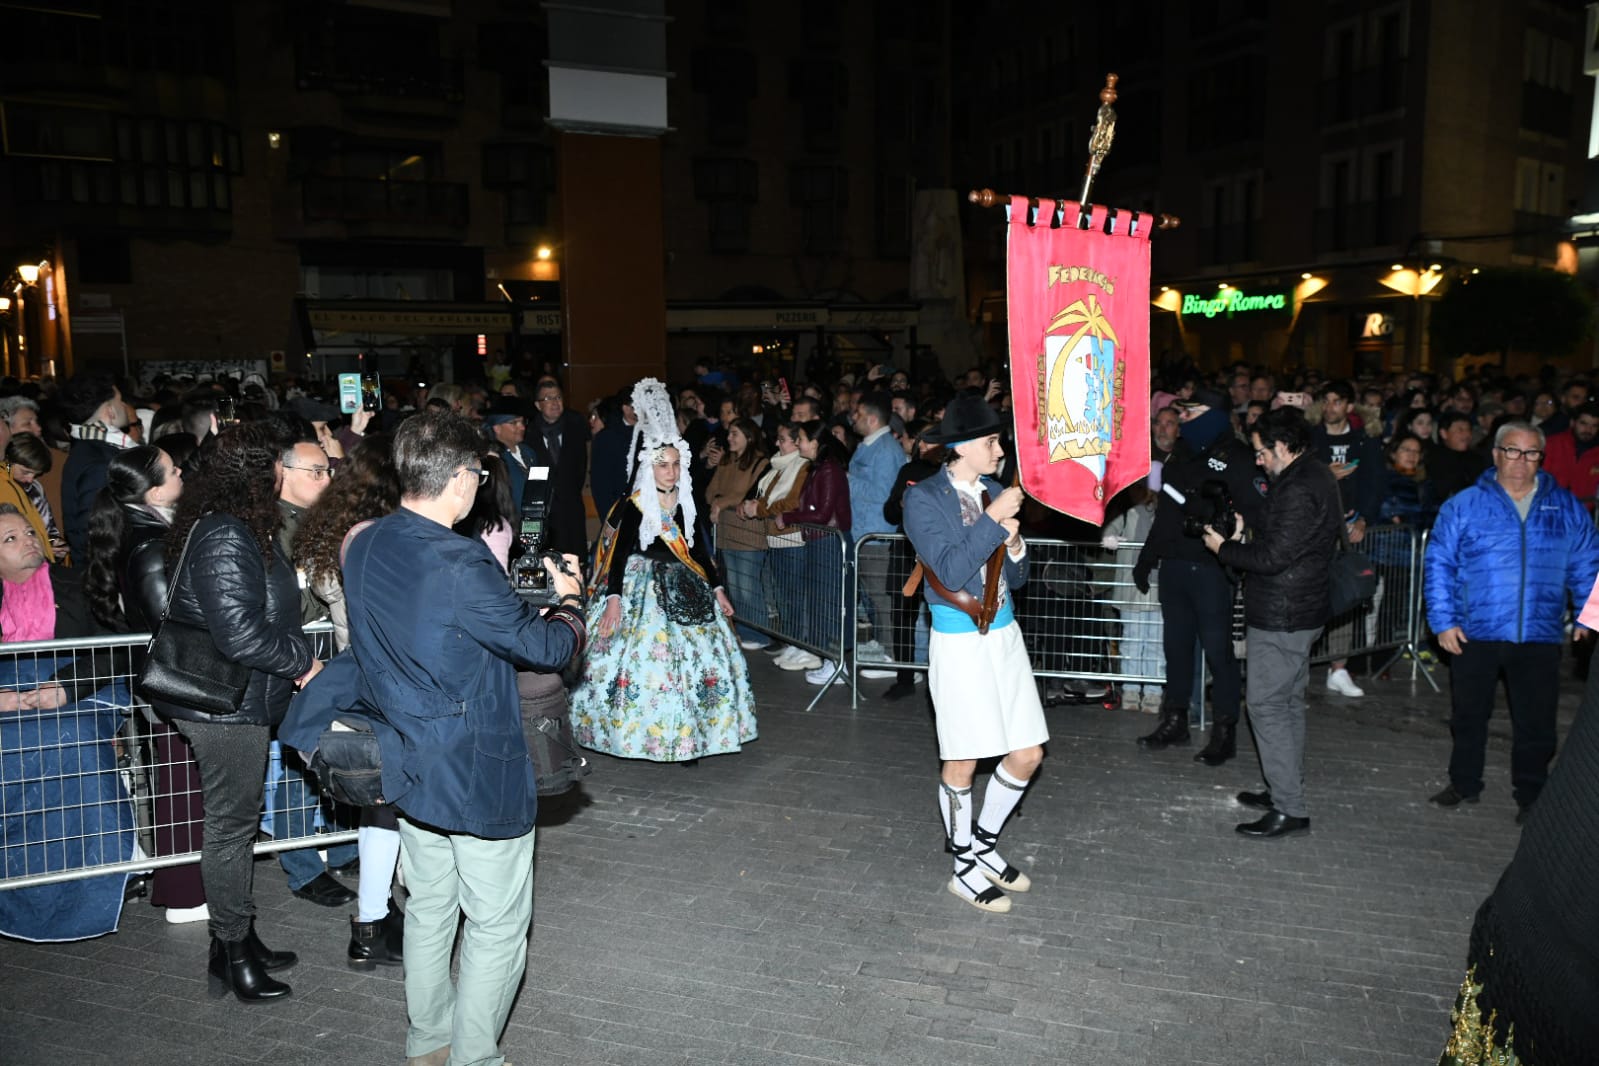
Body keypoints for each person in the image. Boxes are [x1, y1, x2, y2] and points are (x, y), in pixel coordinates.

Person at [296, 410, 585, 1066]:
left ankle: (429, 1041)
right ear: (460, 478)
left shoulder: (364, 541)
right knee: (497, 923)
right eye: (478, 475)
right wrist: (570, 602)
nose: (480, 485)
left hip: (406, 760)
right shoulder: (459, 559)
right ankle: (475, 1058)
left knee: (429, 907)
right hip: (476, 768)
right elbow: (541, 646)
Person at [149, 423, 321, 1003]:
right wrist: (304, 660)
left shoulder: (241, 526)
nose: (281, 471)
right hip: (223, 704)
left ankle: (236, 941)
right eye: (275, 462)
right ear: (254, 471)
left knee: (236, 825)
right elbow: (241, 636)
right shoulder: (226, 533)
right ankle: (233, 949)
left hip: (243, 700)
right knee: (229, 828)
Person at [904, 395, 1044, 914]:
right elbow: (953, 569)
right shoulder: (923, 499)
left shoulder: (991, 491)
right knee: (963, 757)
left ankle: (982, 843)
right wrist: (992, 519)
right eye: (992, 441)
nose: (1000, 449)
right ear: (962, 447)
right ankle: (963, 864)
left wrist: (1014, 545)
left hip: (1005, 634)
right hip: (959, 639)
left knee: (1027, 752)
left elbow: (1018, 577)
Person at [1423, 421, 1599, 822]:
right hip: (1475, 630)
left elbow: (1589, 562)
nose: (1522, 460)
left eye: (1532, 453)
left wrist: (1591, 616)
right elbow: (1439, 565)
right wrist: (1443, 620)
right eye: (1513, 451)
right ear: (1497, 453)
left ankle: (1532, 794)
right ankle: (1464, 783)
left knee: (1536, 721)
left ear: (1541, 457)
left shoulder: (1565, 507)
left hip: (1538, 632)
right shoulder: (1464, 505)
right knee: (1468, 715)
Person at [572, 380, 756, 764]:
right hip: (643, 586)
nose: (670, 472)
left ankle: (693, 735)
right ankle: (640, 732)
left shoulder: (685, 500)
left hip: (687, 583)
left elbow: (697, 548)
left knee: (700, 662)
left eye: (675, 464)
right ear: (649, 466)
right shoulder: (636, 504)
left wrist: (719, 588)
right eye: (663, 465)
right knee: (650, 663)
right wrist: (613, 601)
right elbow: (619, 556)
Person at [292, 433, 407, 969]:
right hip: (388, 681)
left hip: (359, 677)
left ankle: (374, 918)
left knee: (379, 805)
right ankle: (379, 919)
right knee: (395, 803)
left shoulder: (334, 535)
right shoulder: (380, 540)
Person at [1202, 408, 1341, 838]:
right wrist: (1250, 526)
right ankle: (1284, 788)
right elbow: (1285, 536)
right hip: (1299, 609)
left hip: (1284, 614)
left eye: (1262, 452)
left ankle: (1289, 807)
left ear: (1282, 446)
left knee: (1265, 706)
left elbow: (1271, 558)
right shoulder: (1312, 476)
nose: (1258, 460)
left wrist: (1223, 547)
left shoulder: (1300, 487)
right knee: (1286, 704)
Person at [82, 445, 204, 923]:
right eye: (174, 470)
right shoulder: (152, 541)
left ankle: (186, 887)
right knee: (180, 785)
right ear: (154, 489)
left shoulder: (141, 529)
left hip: (163, 678)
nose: (182, 473)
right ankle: (183, 893)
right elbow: (165, 618)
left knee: (180, 783)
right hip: (174, 679)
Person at [1131, 388, 1267, 764]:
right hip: (1175, 566)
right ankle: (1175, 720)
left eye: (1194, 411)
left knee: (1218, 653)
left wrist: (1236, 545)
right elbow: (1166, 514)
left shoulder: (1239, 458)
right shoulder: (1182, 453)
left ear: (1216, 415)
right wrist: (1148, 557)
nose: (1185, 417)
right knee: (1176, 649)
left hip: (1212, 569)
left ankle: (1225, 730)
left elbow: (1257, 516)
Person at [1308, 380, 1382, 698]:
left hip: (1348, 529)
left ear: (1349, 406)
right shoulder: (1310, 440)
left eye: (1338, 401)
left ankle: (1339, 668)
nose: (1330, 407)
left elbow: (1375, 485)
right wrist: (1325, 474)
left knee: (1344, 597)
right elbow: (1294, 478)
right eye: (1326, 400)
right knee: (1307, 594)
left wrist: (1364, 518)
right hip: (1312, 530)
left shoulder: (1364, 443)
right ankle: (1300, 662)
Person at [774, 420, 853, 685]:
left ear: (816, 443)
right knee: (823, 602)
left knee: (830, 603)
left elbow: (822, 513)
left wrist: (789, 516)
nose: (798, 444)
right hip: (821, 541)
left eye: (802, 439)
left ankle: (837, 664)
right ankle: (832, 661)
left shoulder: (828, 469)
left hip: (829, 542)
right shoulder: (820, 468)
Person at [738, 422, 812, 669]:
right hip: (775, 538)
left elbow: (792, 502)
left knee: (794, 596)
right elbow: (767, 497)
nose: (777, 444)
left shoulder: (801, 466)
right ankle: (792, 642)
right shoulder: (778, 467)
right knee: (783, 595)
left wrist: (758, 509)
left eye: (783, 439)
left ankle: (802, 644)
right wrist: (754, 504)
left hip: (792, 539)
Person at [846, 393, 907, 685]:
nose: (852, 418)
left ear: (872, 418)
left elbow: (882, 494)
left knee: (882, 599)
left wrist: (847, 479)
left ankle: (893, 657)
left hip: (876, 534)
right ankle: (884, 648)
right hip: (863, 533)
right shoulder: (870, 446)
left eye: (857, 414)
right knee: (874, 597)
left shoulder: (885, 450)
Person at [705, 417, 771, 651]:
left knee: (748, 585)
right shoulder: (726, 462)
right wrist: (718, 502)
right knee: (733, 585)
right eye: (729, 433)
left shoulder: (761, 463)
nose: (729, 438)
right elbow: (710, 491)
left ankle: (760, 633)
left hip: (748, 533)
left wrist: (720, 503)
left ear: (749, 437)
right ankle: (743, 629)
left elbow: (747, 493)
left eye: (735, 434)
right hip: (726, 531)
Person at [59, 372, 138, 560]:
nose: (125, 406)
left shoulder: (88, 447)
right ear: (110, 410)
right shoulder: (99, 461)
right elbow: (96, 534)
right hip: (104, 576)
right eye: (120, 401)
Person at [526, 379, 591, 557]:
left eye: (558, 397)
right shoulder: (529, 433)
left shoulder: (576, 426)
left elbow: (581, 469)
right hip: (544, 512)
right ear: (538, 405)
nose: (555, 403)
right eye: (548, 398)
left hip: (572, 508)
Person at [8, 433, 69, 563]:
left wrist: (54, 543)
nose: (30, 479)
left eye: (36, 474)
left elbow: (49, 528)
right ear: (7, 462)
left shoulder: (35, 489)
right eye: (25, 472)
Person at [1540, 399, 1599, 508]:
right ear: (1573, 423)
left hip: (1584, 513)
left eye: (1594, 426)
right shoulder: (1552, 443)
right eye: (1583, 423)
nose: (1588, 430)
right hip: (1550, 508)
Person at [1430, 411, 1490, 502]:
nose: (1466, 435)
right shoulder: (1433, 459)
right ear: (1444, 433)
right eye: (1460, 430)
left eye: (1468, 430)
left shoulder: (1477, 459)